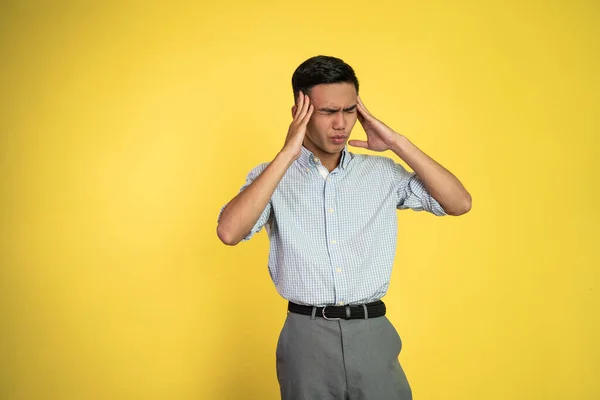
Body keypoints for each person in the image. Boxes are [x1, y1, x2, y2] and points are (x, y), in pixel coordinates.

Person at [216, 55, 471, 400]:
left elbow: (459, 203)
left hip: (372, 334)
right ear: (299, 113)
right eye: (327, 112)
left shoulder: (381, 173)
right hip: (306, 338)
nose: (341, 124)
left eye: (349, 111)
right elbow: (230, 232)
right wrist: (286, 154)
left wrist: (397, 142)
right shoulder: (272, 177)